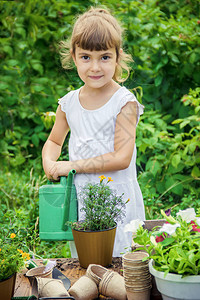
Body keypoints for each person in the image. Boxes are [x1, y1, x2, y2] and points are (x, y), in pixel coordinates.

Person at [42, 7, 145, 257]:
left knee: (122, 263)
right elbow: (55, 140)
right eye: (86, 57)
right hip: (83, 199)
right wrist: (49, 161)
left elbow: (121, 158)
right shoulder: (68, 103)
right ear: (74, 57)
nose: (95, 67)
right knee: (86, 263)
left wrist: (71, 166)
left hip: (119, 200)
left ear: (118, 57)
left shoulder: (124, 102)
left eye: (105, 57)